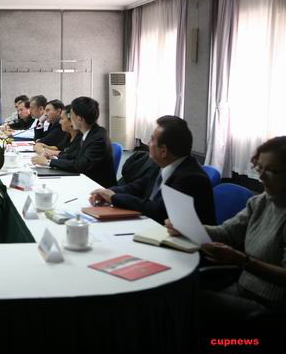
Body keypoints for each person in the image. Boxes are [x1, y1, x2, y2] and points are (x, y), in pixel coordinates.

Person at [166, 136, 286, 318]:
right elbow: (226, 233)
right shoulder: (259, 202)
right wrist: (187, 227)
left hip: (271, 306)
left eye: (272, 171)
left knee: (182, 299)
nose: (261, 176)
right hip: (242, 289)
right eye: (260, 168)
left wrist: (242, 260)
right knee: (176, 292)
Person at [90, 115, 215, 224]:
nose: (149, 144)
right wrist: (108, 192)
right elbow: (136, 187)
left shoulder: (190, 178)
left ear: (163, 151)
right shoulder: (163, 165)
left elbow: (157, 210)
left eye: (152, 140)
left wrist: (114, 198)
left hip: (185, 242)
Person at [45, 97, 116, 187]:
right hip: (85, 180)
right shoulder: (89, 133)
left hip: (97, 187)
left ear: (80, 119)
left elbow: (80, 165)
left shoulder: (98, 138)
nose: (70, 119)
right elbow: (75, 155)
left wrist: (49, 162)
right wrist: (54, 157)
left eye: (71, 115)